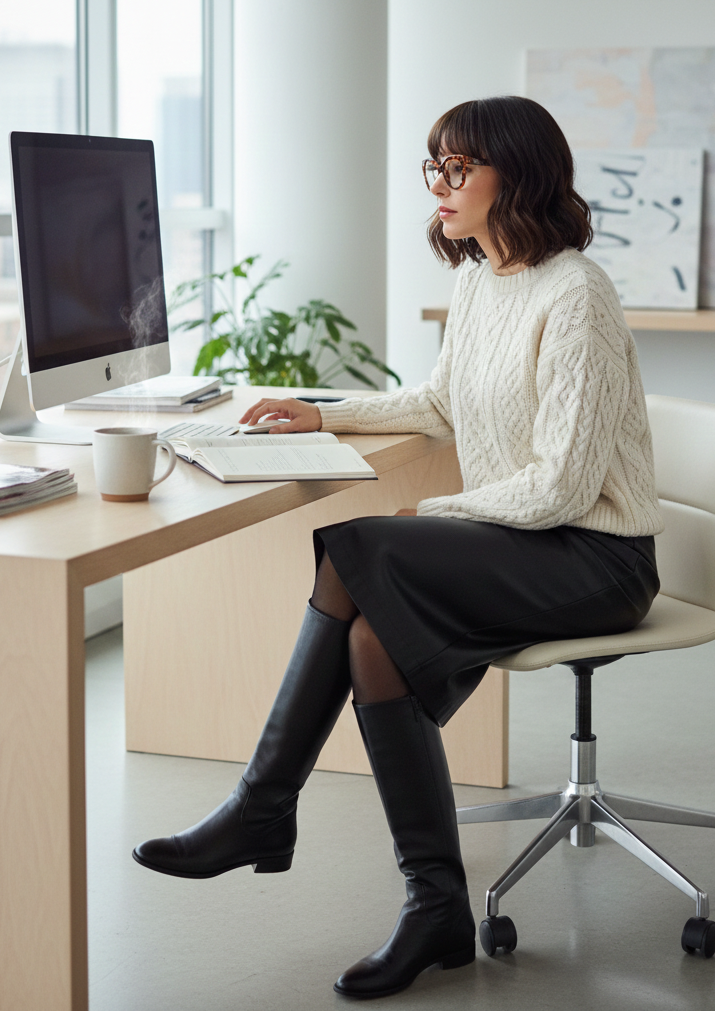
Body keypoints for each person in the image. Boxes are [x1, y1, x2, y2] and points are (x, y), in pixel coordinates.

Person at [133, 95, 662, 999]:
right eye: (436, 167)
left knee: (357, 550)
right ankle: (437, 909)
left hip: (594, 559)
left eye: (460, 169)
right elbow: (442, 402)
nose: (441, 186)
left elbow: (567, 488)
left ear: (517, 177)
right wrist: (324, 410)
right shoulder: (479, 278)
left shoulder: (577, 294)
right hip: (519, 542)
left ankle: (262, 811)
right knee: (372, 638)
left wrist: (434, 519)